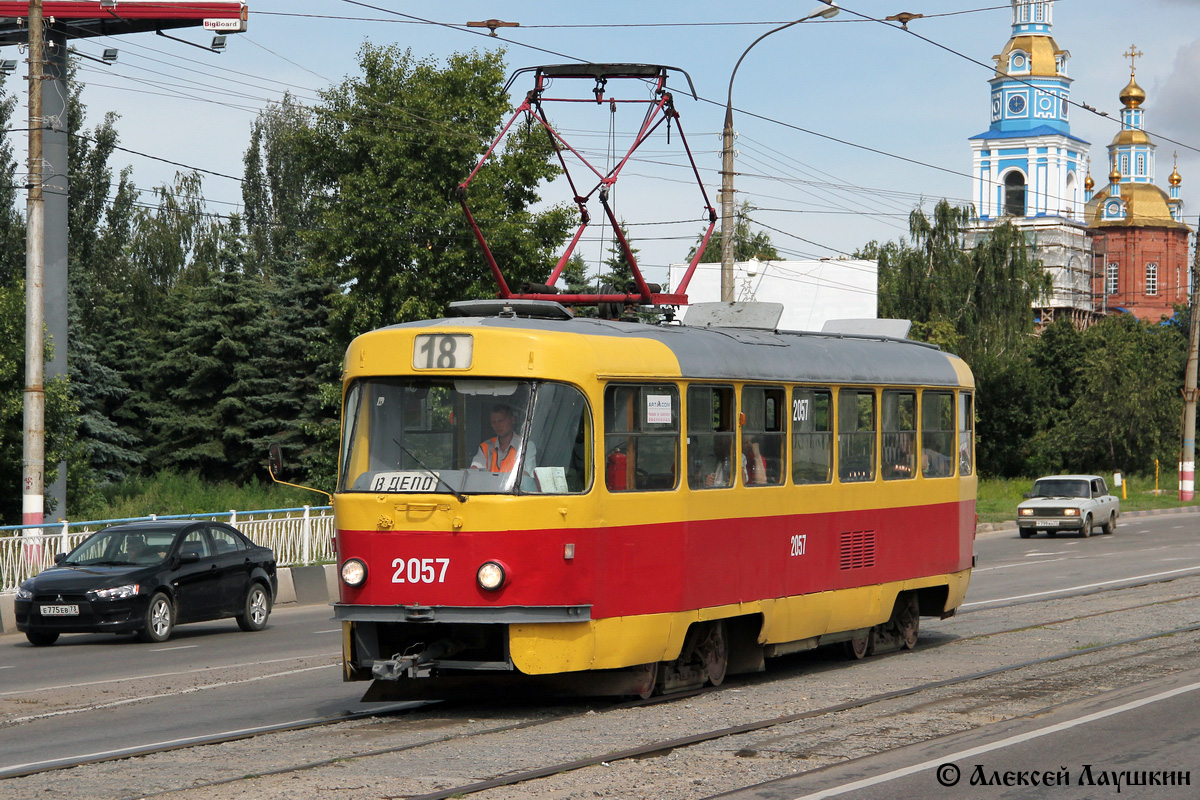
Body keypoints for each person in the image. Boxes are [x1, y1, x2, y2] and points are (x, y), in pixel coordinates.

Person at [471, 404, 537, 477]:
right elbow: (474, 473)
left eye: (501, 421)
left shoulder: (525, 446)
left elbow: (526, 476)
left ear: (512, 420)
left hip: (514, 488)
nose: (497, 425)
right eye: (493, 422)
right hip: (488, 488)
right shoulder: (485, 447)